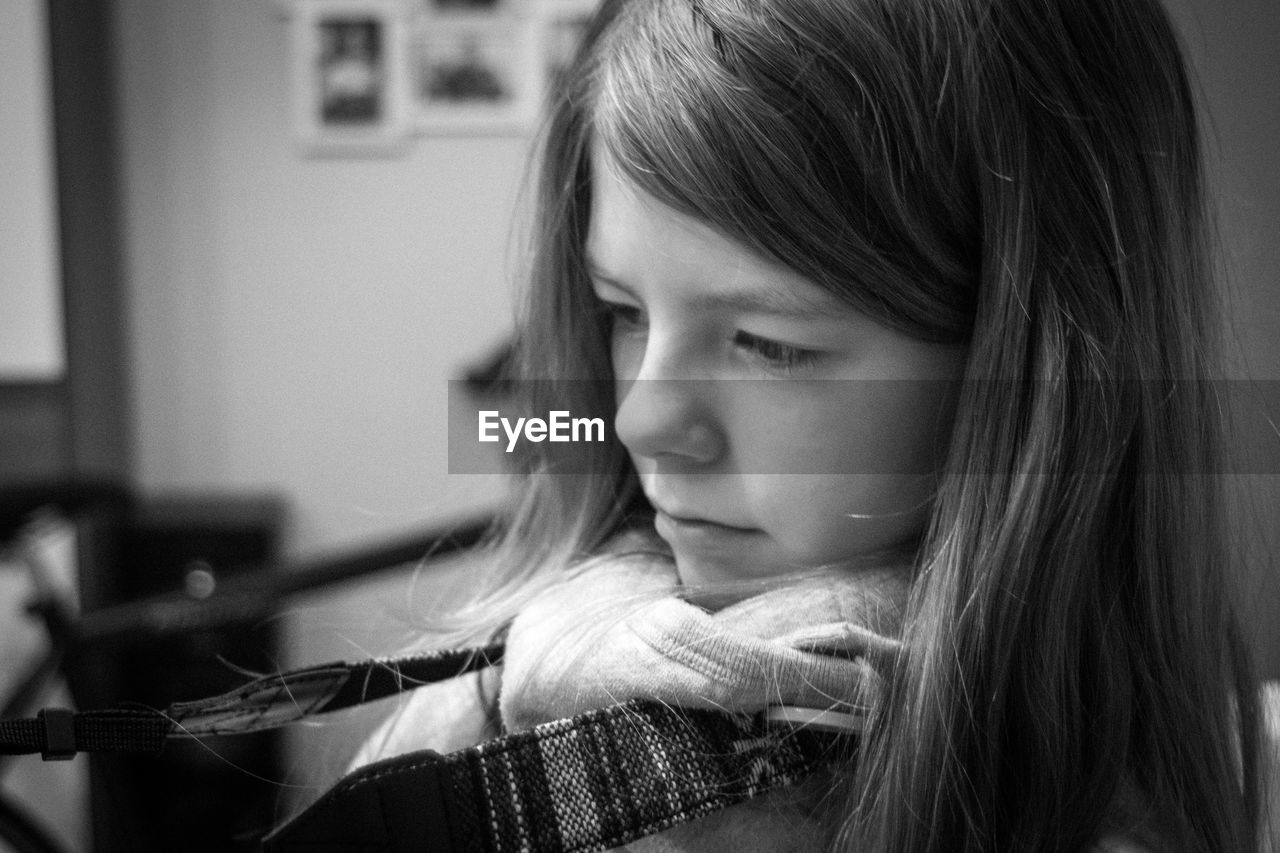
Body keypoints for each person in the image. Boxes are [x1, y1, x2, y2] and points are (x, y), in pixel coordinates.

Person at [351, 0, 1275, 849]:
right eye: (622, 313)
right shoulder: (479, 725)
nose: (640, 421)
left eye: (768, 343)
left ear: (1029, 371)